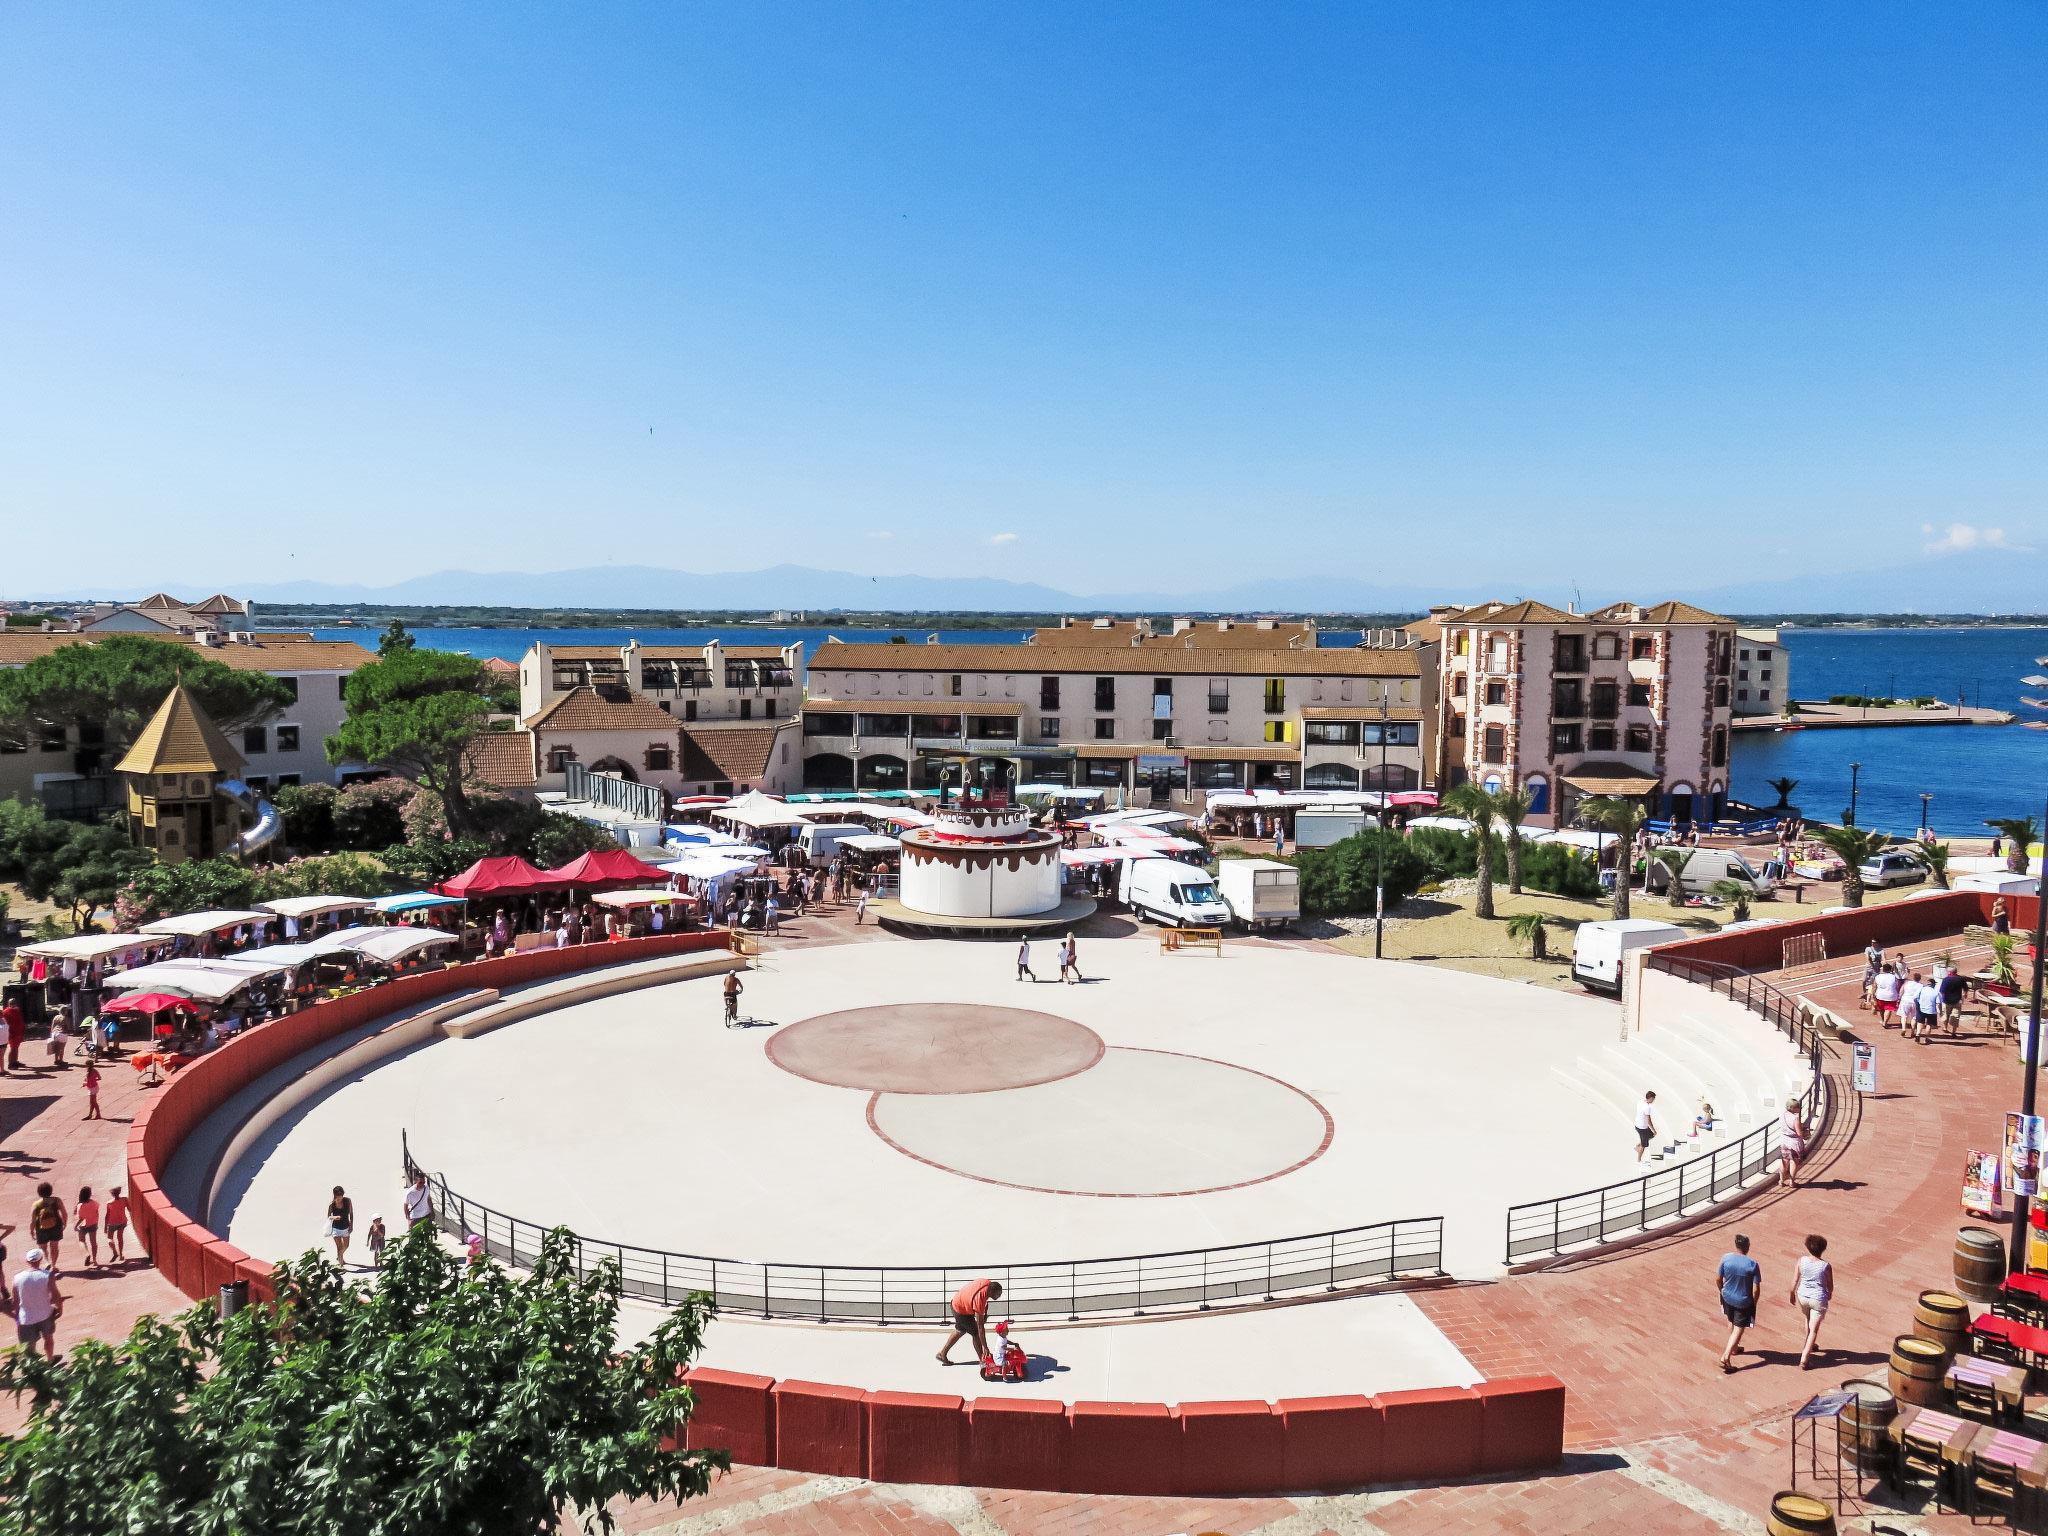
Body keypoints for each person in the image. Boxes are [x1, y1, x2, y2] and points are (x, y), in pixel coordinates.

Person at [1715, 1234, 1761, 1373]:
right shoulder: (1752, 1264)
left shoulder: (1726, 1258)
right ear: (1747, 1246)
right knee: (1739, 1328)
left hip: (1727, 1297)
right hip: (1743, 1300)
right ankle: (1726, 1356)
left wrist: (1722, 1291)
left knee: (1731, 1320)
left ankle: (1734, 1348)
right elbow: (1756, 1289)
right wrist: (1754, 1303)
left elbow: (1718, 1278)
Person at [936, 1277, 1003, 1365]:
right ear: (991, 1291)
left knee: (961, 1329)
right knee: (976, 1333)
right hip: (961, 1309)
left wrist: (985, 1313)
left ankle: (942, 1354)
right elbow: (980, 1327)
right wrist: (985, 1347)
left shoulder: (988, 1284)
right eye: (998, 1294)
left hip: (958, 1302)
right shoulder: (979, 1299)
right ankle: (983, 1360)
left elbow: (985, 1302)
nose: (999, 1296)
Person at [1790, 1233, 1833, 1369]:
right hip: (1818, 1298)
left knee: (1807, 1319)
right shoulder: (1825, 1266)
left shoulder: (1801, 1260)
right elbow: (1830, 1286)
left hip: (1802, 1296)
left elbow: (1795, 1280)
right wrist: (1829, 1294)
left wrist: (1792, 1293)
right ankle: (1804, 1359)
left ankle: (1810, 1344)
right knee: (1814, 1329)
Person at [12, 1248, 61, 1361]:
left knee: (29, 1345)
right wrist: (60, 1309)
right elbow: (55, 1296)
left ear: (27, 1261)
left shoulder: (17, 1278)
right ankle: (50, 1360)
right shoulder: (47, 1275)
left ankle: (34, 1366)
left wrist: (17, 1318)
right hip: (45, 1314)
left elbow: (15, 1301)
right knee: (48, 1338)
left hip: (26, 1317)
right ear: (41, 1259)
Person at [29, 1183, 66, 1274]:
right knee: (54, 1247)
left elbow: (33, 1220)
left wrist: (31, 1230)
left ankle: (46, 1261)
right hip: (56, 1225)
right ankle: (53, 1265)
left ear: (39, 1192)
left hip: (41, 1228)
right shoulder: (57, 1200)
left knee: (43, 1247)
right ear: (50, 1191)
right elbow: (64, 1213)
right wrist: (64, 1223)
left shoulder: (36, 1204)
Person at [1777, 1098, 1806, 1187]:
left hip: (1784, 1141)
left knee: (1784, 1161)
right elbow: (1799, 1133)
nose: (1800, 1108)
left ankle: (1781, 1180)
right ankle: (1792, 1182)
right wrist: (1805, 1133)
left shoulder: (1782, 1115)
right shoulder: (1795, 1119)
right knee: (1794, 1162)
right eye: (1798, 1107)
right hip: (1794, 1143)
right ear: (1793, 1108)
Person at [327, 1185, 355, 1265]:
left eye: (341, 1195)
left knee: (346, 1246)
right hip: (336, 1229)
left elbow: (351, 1213)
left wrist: (351, 1225)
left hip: (346, 1227)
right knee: (339, 1247)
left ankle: (339, 1256)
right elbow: (329, 1216)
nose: (340, 1197)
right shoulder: (332, 1205)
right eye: (338, 1195)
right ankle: (341, 1264)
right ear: (335, 1195)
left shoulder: (348, 1201)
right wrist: (335, 1217)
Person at [74, 1188, 99, 1269]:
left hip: (83, 1225)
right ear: (89, 1194)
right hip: (93, 1224)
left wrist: (76, 1226)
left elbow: (81, 1218)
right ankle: (94, 1260)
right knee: (93, 1242)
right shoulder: (94, 1203)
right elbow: (97, 1212)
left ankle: (86, 1254)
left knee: (81, 1241)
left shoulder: (80, 1205)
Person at [1913, 973, 1941, 1042]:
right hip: (1932, 1011)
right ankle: (1926, 1038)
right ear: (1933, 985)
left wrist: (1918, 1005)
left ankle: (1918, 1034)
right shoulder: (1936, 992)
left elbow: (1915, 997)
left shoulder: (1922, 989)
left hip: (1921, 1009)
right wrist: (1939, 1011)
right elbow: (1938, 1003)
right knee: (1929, 1024)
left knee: (1920, 1022)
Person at [1871, 961, 1901, 1026]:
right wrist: (1898, 996)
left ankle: (1883, 1020)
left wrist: (1873, 996)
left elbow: (1874, 987)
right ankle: (1885, 1022)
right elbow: (1897, 986)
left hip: (1880, 995)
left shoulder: (1878, 977)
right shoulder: (1894, 977)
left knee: (1881, 1009)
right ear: (1890, 970)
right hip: (1891, 995)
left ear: (1883, 969)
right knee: (1889, 1009)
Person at [104, 1187, 128, 1264]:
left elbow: (107, 1216)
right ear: (119, 1192)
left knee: (109, 1239)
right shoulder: (124, 1199)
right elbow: (130, 1209)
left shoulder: (109, 1203)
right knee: (120, 1238)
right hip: (122, 1222)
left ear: (112, 1194)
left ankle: (115, 1252)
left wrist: (105, 1226)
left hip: (112, 1223)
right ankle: (121, 1255)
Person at [1940, 966, 1968, 1032]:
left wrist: (1942, 999)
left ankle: (1945, 1027)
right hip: (1957, 1000)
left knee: (1946, 1015)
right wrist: (1965, 994)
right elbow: (1966, 988)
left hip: (1947, 1000)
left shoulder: (1946, 979)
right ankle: (1953, 1031)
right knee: (1956, 1016)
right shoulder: (1961, 979)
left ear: (1949, 972)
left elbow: (1942, 991)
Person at [2, 996, 25, 1071]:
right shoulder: (5, 1012)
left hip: (18, 1032)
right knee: (13, 1048)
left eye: (14, 1003)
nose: (13, 1004)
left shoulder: (17, 1010)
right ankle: (10, 1064)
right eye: (11, 1003)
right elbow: (5, 1023)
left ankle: (15, 1061)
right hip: (12, 1033)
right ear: (9, 1004)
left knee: (16, 1047)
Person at [1634, 1091, 1658, 1162]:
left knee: (1651, 1135)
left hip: (1637, 1124)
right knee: (1644, 1145)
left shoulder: (1640, 1102)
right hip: (1642, 1127)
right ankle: (1639, 1159)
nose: (1653, 1100)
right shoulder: (1647, 1107)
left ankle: (1638, 1146)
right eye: (1653, 1099)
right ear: (1650, 1098)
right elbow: (1649, 1121)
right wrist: (1654, 1130)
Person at [1859, 941, 1883, 1011]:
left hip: (1876, 969)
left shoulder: (1881, 950)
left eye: (1874, 942)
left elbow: (1883, 958)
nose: (1873, 943)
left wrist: (1884, 963)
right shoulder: (1868, 949)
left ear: (1877, 943)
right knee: (1864, 980)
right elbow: (1867, 958)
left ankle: (1869, 1001)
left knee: (1873, 985)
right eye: (1872, 942)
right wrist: (1871, 964)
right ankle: (1865, 993)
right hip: (1869, 967)